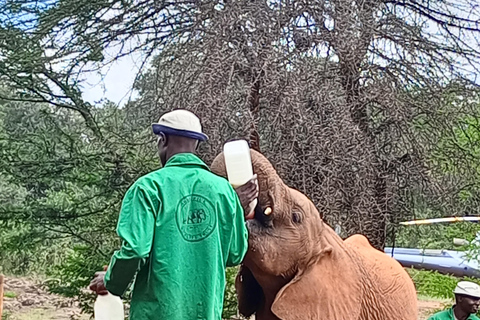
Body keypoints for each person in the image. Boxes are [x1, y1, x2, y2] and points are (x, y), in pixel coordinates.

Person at [89, 109, 258, 320]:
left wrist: (112, 280)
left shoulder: (147, 188)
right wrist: (237, 212)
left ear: (163, 139)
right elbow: (234, 253)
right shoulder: (224, 191)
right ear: (196, 144)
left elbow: (135, 250)